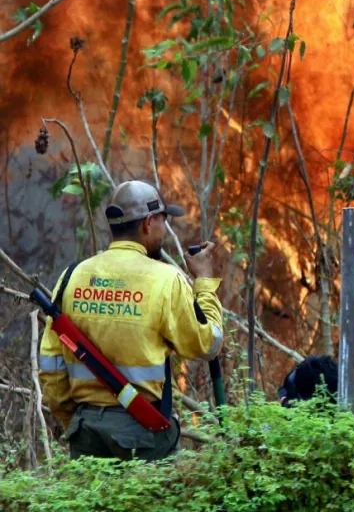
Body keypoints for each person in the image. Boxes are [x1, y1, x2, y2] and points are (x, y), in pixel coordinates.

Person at [38, 180, 224, 460]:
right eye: (164, 220)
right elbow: (208, 344)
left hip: (85, 431)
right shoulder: (165, 280)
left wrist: (75, 424)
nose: (165, 229)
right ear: (148, 223)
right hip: (143, 433)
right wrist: (205, 282)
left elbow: (51, 367)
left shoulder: (71, 277)